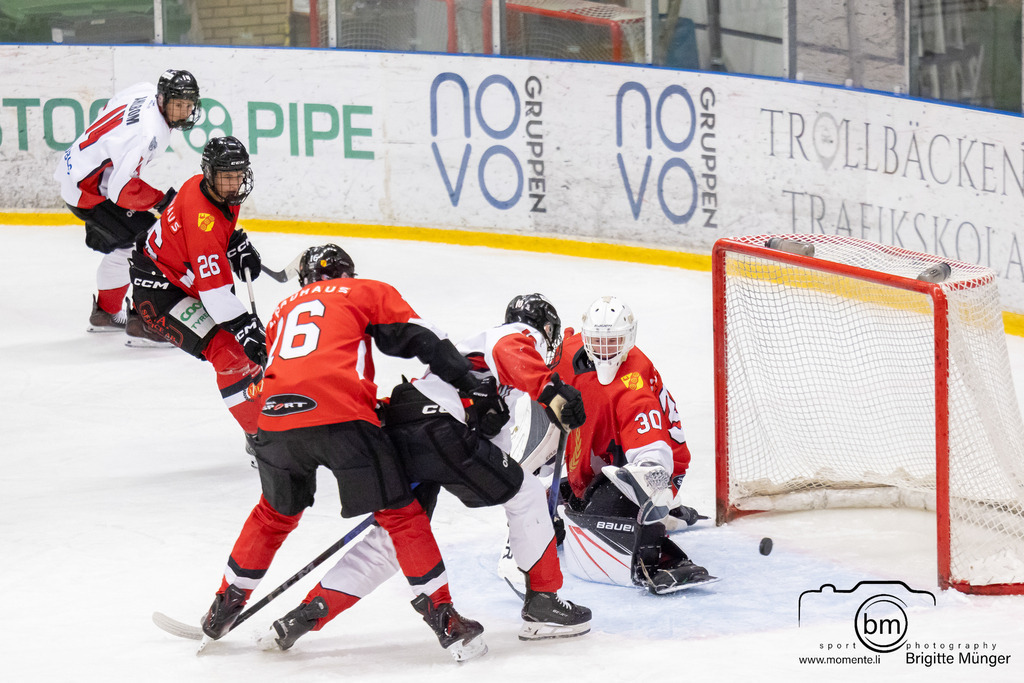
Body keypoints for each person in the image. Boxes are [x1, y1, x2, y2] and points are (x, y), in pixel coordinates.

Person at [202, 244, 494, 662]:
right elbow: (420, 338)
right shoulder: (362, 291)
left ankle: (224, 604)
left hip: (276, 417)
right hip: (342, 417)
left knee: (273, 513)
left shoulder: (283, 308)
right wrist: (467, 379)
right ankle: (444, 618)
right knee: (401, 515)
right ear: (348, 273)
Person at [257, 292, 592, 652]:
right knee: (527, 494)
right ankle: (543, 602)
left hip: (407, 421)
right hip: (439, 425)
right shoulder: (514, 336)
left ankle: (305, 615)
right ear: (546, 328)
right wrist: (553, 392)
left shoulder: (484, 366)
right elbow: (512, 348)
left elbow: (493, 458)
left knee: (392, 538)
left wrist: (502, 472)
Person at [540, 296, 717, 595]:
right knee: (539, 511)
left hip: (652, 470)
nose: (605, 349)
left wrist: (650, 489)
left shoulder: (633, 383)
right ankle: (598, 498)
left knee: (603, 517)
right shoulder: (569, 354)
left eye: (614, 341)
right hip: (601, 461)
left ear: (629, 339)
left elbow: (654, 457)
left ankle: (661, 556)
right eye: (597, 341)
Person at [128, 136, 265, 450]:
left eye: (238, 175)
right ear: (209, 172)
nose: (233, 184)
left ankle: (263, 413)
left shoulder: (206, 188)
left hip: (178, 278)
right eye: (226, 177)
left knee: (247, 346)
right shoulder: (204, 223)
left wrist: (234, 242)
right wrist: (244, 327)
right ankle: (260, 439)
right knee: (231, 351)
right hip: (161, 295)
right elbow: (216, 295)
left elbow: (212, 229)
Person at [54, 69, 201, 345]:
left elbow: (110, 108)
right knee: (152, 243)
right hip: (88, 191)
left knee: (129, 246)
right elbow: (122, 191)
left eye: (188, 104)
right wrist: (162, 200)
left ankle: (105, 314)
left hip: (76, 170)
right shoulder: (148, 135)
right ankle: (144, 321)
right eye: (177, 104)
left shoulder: (143, 90)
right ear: (162, 99)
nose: (183, 111)